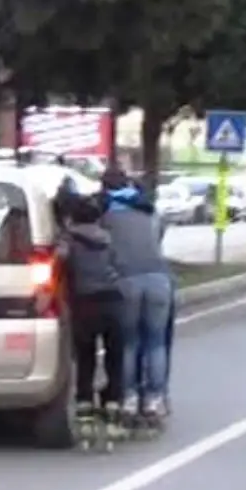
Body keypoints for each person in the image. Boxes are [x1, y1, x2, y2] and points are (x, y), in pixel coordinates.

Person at [97, 170, 174, 419]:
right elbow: (159, 237)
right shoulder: (148, 209)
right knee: (156, 342)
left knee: (130, 342)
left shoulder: (106, 214)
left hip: (127, 280)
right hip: (159, 279)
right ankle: (155, 398)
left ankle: (129, 397)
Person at [60, 195, 126, 424]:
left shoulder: (68, 243)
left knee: (86, 356)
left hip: (85, 303)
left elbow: (60, 267)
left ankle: (84, 400)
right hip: (113, 301)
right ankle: (113, 399)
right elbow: (121, 266)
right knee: (114, 355)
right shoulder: (110, 239)